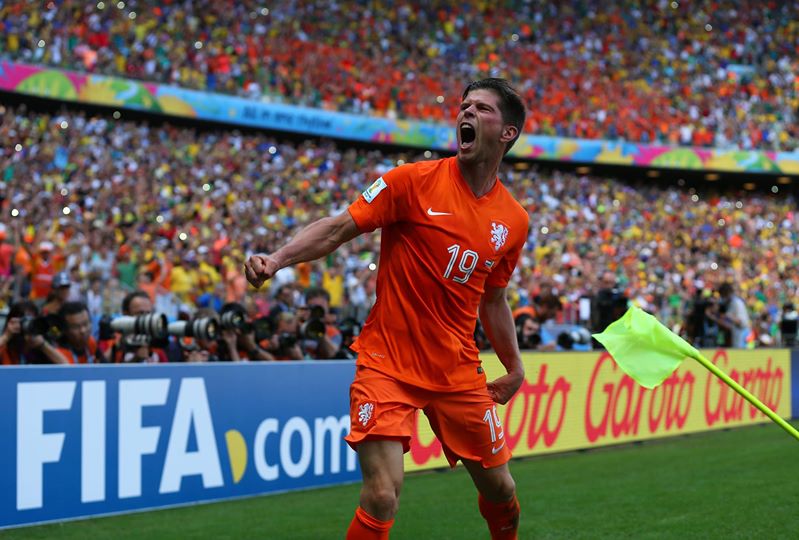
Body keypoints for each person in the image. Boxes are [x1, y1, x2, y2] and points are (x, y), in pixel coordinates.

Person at [246, 78, 528, 539]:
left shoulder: (514, 221)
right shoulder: (411, 181)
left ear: (507, 133)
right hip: (387, 363)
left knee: (501, 492)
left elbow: (492, 298)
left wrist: (514, 366)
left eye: (482, 108)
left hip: (456, 370)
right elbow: (338, 228)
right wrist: (277, 259)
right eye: (464, 106)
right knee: (381, 494)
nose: (467, 113)